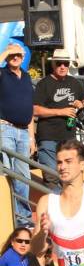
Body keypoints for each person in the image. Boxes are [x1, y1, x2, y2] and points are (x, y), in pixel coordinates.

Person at [33, 50, 84, 189]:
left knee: (69, 177)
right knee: (52, 178)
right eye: (59, 63)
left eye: (65, 64)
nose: (62, 67)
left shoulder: (74, 82)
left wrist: (82, 104)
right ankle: (56, 208)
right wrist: (61, 112)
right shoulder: (44, 83)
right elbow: (35, 110)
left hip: (68, 138)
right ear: (53, 64)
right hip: (48, 137)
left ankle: (67, 208)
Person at [0, 42, 35, 225]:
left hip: (23, 132)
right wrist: (6, 51)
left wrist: (31, 137)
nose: (15, 57)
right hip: (5, 128)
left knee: (23, 176)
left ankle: (23, 218)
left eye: (19, 55)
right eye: (12, 55)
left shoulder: (27, 77)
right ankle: (17, 217)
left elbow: (30, 108)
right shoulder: (2, 73)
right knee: (7, 171)